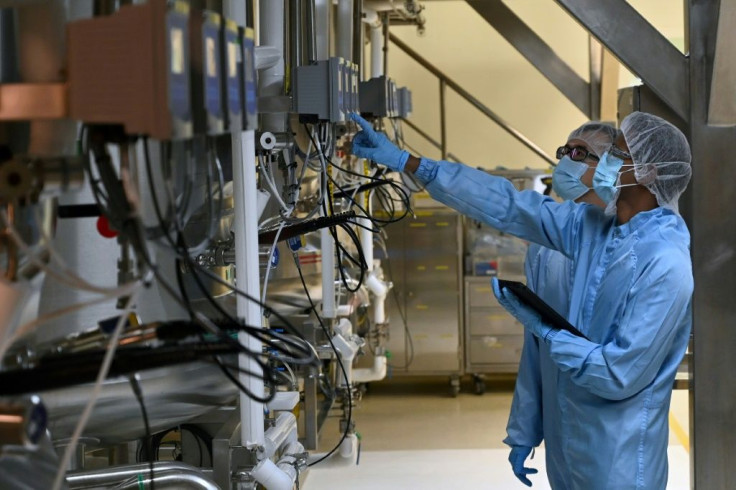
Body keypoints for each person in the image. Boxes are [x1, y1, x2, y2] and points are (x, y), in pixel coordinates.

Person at [350, 111, 693, 490]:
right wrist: (409, 162)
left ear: (647, 173)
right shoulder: (592, 229)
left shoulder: (665, 262)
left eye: (619, 154)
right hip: (567, 446)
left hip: (621, 463)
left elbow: (617, 375)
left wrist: (546, 330)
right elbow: (509, 206)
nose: (608, 161)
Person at [506, 121, 617, 488]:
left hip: (615, 429)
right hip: (560, 426)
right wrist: (524, 430)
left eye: (580, 153)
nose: (566, 162)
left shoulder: (630, 240)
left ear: (611, 166)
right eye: (564, 152)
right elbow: (534, 348)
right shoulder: (545, 247)